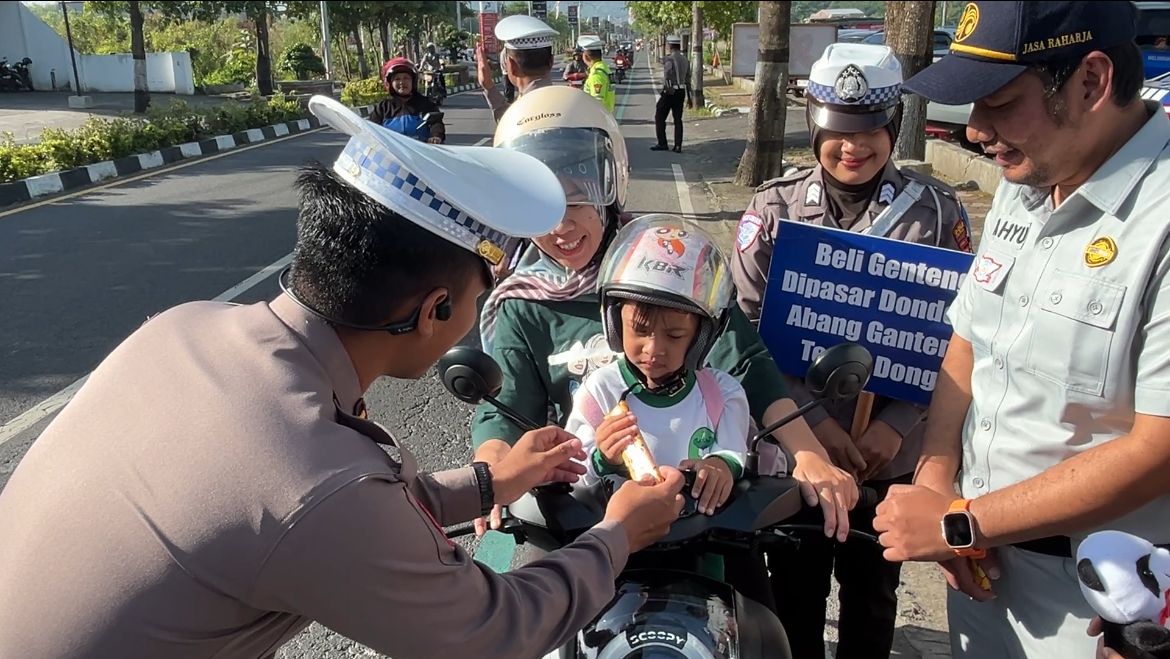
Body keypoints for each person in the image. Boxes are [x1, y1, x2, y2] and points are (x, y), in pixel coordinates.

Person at [0, 94, 688, 659]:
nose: (476, 319)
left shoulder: (186, 326)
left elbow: (303, 506)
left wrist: (489, 482)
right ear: (434, 310)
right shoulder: (321, 481)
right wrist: (617, 534)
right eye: (478, 302)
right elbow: (492, 628)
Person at [868, 2, 1170, 658]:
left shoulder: (1161, 218)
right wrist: (937, 477)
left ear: (1091, 81)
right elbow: (972, 336)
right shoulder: (1029, 176)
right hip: (984, 573)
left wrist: (959, 521)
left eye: (1000, 102)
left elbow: (1158, 446)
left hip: (1105, 608)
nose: (976, 130)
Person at [472, 84, 860, 546]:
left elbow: (749, 365)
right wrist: (490, 477)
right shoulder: (522, 303)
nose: (560, 228)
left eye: (575, 201)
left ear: (608, 184)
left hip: (700, 506)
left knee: (758, 605)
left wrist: (809, 455)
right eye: (541, 211)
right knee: (539, 610)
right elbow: (506, 409)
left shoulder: (666, 260)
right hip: (584, 511)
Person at [732, 42, 971, 659]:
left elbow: (955, 340)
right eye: (838, 132)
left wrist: (894, 427)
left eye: (869, 132)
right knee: (794, 595)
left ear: (892, 126)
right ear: (814, 127)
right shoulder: (774, 209)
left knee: (873, 596)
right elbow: (747, 334)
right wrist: (811, 426)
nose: (852, 147)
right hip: (797, 454)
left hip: (887, 460)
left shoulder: (937, 215)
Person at [566, 214, 775, 609]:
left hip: (700, 554)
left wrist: (719, 466)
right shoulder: (600, 392)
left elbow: (733, 450)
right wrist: (602, 457)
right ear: (614, 324)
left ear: (701, 335)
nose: (653, 349)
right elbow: (576, 481)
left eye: (675, 335)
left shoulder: (722, 393)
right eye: (638, 330)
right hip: (617, 554)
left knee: (762, 624)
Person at [477, 14, 559, 122]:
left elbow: (514, 125)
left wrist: (489, 87)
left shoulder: (525, 107)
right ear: (551, 61)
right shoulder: (572, 101)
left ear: (511, 65)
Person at [369, 57, 446, 144]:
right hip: (392, 154)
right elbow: (370, 129)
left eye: (406, 78)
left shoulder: (426, 104)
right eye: (397, 79)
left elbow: (436, 123)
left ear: (413, 81)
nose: (402, 82)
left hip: (421, 151)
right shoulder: (383, 108)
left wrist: (436, 136)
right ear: (390, 83)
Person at [652, 35, 690, 153]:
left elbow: (667, 74)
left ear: (670, 46)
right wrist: (689, 96)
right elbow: (688, 78)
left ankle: (662, 143)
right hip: (681, 91)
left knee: (659, 115)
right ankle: (678, 145)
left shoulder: (669, 59)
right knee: (677, 119)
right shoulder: (685, 60)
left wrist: (666, 90)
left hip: (670, 91)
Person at [580, 34, 616, 112]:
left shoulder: (597, 75)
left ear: (585, 56)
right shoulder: (604, 68)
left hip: (598, 119)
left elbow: (597, 103)